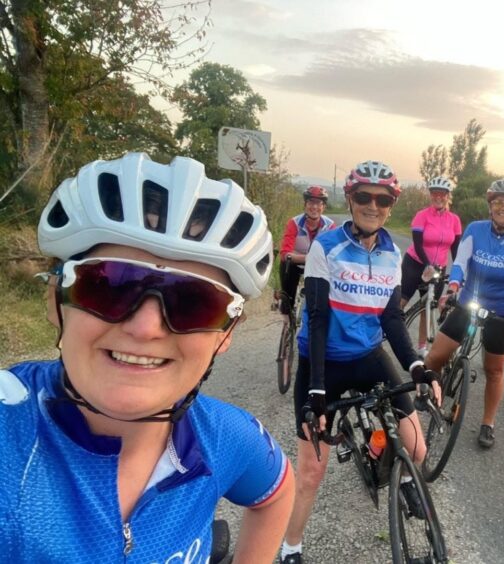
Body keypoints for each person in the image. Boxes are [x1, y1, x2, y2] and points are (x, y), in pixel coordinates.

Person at [0, 153, 295, 562]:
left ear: (225, 333)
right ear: (55, 300)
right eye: (108, 286)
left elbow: (276, 493)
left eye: (194, 301)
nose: (146, 328)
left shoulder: (225, 437)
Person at [279, 161, 442, 564]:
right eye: (364, 197)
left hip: (369, 355)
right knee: (312, 473)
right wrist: (316, 389)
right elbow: (317, 319)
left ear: (390, 205)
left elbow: (390, 319)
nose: (373, 205)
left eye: (382, 198)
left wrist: (417, 366)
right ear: (350, 200)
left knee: (418, 449)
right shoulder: (326, 247)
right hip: (323, 362)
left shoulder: (392, 252)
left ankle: (401, 478)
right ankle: (290, 548)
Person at [425, 177, 504, 449]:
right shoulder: (475, 229)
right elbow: (460, 263)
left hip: (501, 309)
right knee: (435, 356)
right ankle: (433, 390)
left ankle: (488, 423)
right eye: (499, 203)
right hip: (468, 300)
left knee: (494, 370)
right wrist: (451, 289)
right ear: (490, 206)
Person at [400, 176, 463, 357]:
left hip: (438, 267)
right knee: (401, 303)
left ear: (447, 196)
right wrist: (427, 265)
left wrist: (458, 273)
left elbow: (456, 249)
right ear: (430, 195)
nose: (438, 197)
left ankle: (422, 347)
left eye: (442, 194)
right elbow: (418, 244)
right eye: (434, 193)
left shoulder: (454, 220)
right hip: (416, 263)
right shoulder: (422, 215)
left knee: (428, 307)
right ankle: (385, 333)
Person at [278, 186, 336, 320]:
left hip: (317, 267)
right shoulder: (294, 223)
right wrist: (308, 258)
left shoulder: (330, 226)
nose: (314, 207)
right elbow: (285, 253)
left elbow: (332, 255)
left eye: (319, 203)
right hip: (295, 264)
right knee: (285, 266)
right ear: (305, 205)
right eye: (311, 202)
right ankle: (287, 314)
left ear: (324, 207)